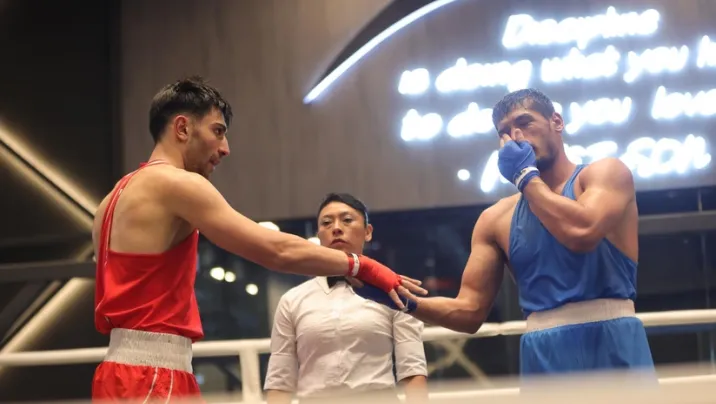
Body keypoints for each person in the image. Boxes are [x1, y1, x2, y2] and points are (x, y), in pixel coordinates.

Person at [90, 76, 426, 402]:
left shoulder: (112, 199)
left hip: (119, 372)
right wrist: (362, 266)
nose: (225, 148)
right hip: (153, 376)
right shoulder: (177, 183)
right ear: (182, 128)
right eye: (217, 131)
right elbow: (276, 250)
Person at [358, 88, 655, 377]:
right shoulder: (495, 219)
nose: (517, 137)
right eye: (505, 132)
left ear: (556, 121)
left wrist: (526, 177)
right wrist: (397, 297)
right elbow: (469, 311)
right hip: (542, 351)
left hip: (612, 339)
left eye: (525, 123)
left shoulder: (606, 174)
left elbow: (582, 232)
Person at [264, 193, 428, 404]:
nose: (336, 228)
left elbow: (413, 369)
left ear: (367, 232)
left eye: (347, 220)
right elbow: (280, 379)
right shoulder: (292, 300)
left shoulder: (392, 292)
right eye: (326, 223)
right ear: (319, 235)